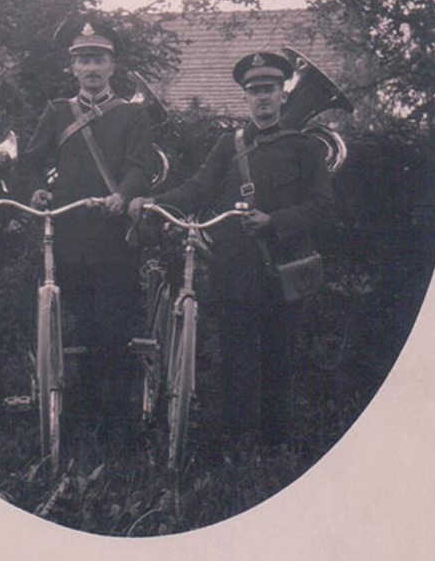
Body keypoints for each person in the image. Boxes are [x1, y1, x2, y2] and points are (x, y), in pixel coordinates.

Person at [129, 50, 334, 448]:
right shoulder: (230, 144)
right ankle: (237, 447)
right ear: (245, 96)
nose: (262, 98)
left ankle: (276, 447)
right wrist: (156, 204)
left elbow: (324, 207)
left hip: (284, 267)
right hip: (235, 269)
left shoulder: (305, 148)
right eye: (254, 90)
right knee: (236, 359)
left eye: (270, 89)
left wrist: (275, 222)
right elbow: (199, 188)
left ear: (283, 94)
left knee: (280, 360)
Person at [21, 18, 155, 430]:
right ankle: (73, 410)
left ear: (112, 65)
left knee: (112, 326)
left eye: (98, 59)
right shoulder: (58, 112)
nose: (91, 68)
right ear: (73, 68)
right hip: (66, 236)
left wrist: (124, 195)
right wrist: (35, 191)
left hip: (114, 236)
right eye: (83, 61)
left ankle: (115, 417)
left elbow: (140, 166)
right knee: (69, 323)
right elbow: (30, 163)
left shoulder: (133, 115)